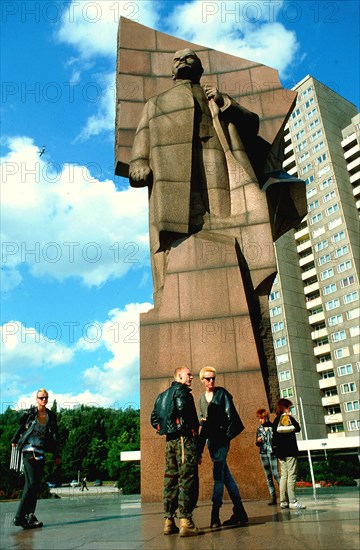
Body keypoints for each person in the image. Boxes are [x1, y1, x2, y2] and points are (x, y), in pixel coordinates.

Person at [129, 48, 306, 307]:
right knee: (184, 208)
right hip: (173, 166)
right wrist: (139, 161)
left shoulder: (215, 96)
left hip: (214, 152)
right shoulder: (156, 103)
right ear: (171, 70)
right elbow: (143, 134)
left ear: (199, 68)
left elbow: (252, 123)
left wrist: (226, 103)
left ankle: (220, 232)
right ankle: (189, 241)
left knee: (220, 200)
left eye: (189, 58)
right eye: (177, 59)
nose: (182, 61)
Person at [150, 366, 201, 537]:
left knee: (170, 479)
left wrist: (165, 427)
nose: (191, 377)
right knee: (187, 477)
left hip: (170, 441)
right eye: (188, 374)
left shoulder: (161, 396)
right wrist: (190, 427)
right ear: (179, 376)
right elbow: (183, 410)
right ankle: (186, 521)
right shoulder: (182, 392)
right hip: (184, 439)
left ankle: (169, 521)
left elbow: (154, 419)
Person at [198, 366, 248, 528]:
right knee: (226, 476)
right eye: (208, 378)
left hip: (222, 441)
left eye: (213, 378)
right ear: (202, 380)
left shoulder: (223, 394)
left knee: (218, 477)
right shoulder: (200, 399)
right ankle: (240, 512)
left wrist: (225, 437)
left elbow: (231, 416)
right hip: (210, 442)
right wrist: (200, 449)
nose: (211, 381)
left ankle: (215, 515)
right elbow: (202, 424)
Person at [11, 388, 61, 529]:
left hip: (40, 451)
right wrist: (15, 439)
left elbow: (55, 435)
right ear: (36, 399)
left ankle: (30, 516)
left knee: (35, 485)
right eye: (41, 398)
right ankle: (19, 517)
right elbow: (21, 427)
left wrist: (57, 454)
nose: (43, 400)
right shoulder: (31, 412)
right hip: (28, 450)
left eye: (45, 397)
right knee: (31, 483)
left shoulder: (51, 416)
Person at [272, 398, 306, 510]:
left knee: (284, 476)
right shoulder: (287, 418)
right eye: (289, 407)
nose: (290, 409)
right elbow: (298, 428)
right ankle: (293, 501)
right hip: (290, 451)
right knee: (292, 475)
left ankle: (283, 501)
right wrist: (291, 416)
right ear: (285, 408)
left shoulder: (276, 420)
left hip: (280, 453)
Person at [256, 408, 280, 505]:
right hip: (263, 453)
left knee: (276, 474)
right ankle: (273, 496)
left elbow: (277, 440)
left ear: (266, 417)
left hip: (272, 453)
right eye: (259, 418)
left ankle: (284, 495)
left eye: (261, 418)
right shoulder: (259, 429)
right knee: (268, 476)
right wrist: (258, 441)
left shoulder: (273, 427)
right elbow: (257, 443)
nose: (260, 420)